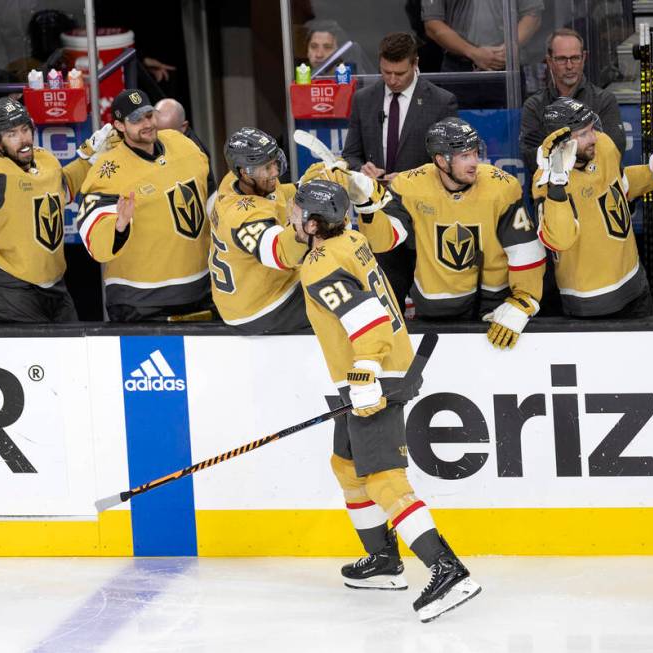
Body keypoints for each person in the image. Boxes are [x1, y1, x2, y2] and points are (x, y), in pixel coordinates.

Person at [291, 178, 481, 623]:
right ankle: (382, 561)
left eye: (298, 212)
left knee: (382, 479)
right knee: (346, 465)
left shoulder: (319, 265)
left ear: (315, 224)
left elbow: (370, 321)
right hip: (381, 368)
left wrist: (364, 377)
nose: (292, 218)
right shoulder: (352, 239)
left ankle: (447, 569)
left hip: (375, 375)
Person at [359, 117, 546, 349]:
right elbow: (385, 241)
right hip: (433, 309)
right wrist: (366, 208)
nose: (474, 163)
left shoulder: (501, 188)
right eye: (464, 156)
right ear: (441, 160)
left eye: (476, 153)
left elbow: (525, 249)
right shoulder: (410, 186)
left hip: (492, 309)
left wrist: (523, 300)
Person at [0, 98, 113, 322]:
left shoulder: (46, 159)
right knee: (30, 357)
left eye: (25, 129)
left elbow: (63, 188)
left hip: (55, 286)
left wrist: (90, 159)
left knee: (71, 354)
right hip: (10, 290)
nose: (23, 139)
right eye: (12, 134)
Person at [532, 98, 653, 318]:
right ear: (562, 143)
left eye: (592, 129)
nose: (593, 138)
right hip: (590, 304)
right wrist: (557, 183)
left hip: (636, 287)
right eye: (583, 134)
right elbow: (560, 239)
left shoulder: (603, 145)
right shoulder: (544, 183)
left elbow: (619, 187)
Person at [75, 89, 212, 322]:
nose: (147, 124)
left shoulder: (183, 144)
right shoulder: (108, 170)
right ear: (119, 126)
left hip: (199, 289)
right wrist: (118, 226)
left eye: (149, 115)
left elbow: (210, 191)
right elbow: (92, 231)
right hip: (141, 300)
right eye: (136, 120)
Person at [342, 31, 458, 306]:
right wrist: (363, 169)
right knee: (388, 299)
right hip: (380, 216)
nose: (392, 80)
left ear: (415, 64)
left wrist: (409, 179)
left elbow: (450, 160)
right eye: (386, 72)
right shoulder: (363, 99)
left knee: (429, 303)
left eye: (400, 73)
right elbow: (350, 155)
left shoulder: (442, 102)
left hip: (425, 218)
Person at [209, 127, 309, 333]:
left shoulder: (239, 179)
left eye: (274, 162)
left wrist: (313, 185)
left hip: (265, 287)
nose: (274, 172)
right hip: (257, 308)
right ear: (245, 172)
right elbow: (280, 254)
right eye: (267, 167)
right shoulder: (242, 215)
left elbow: (280, 195)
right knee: (338, 294)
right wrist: (307, 223)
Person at [519, 28, 626, 175]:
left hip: (596, 189)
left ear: (584, 58)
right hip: (553, 193)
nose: (569, 66)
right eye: (562, 59)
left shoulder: (604, 100)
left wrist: (558, 147)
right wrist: (583, 148)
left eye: (575, 58)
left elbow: (614, 151)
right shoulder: (534, 106)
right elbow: (532, 159)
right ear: (550, 61)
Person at [422, 0, 543, 73]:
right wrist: (473, 52)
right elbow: (432, 24)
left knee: (511, 115)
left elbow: (533, 15)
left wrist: (509, 47)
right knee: (456, 115)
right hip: (459, 68)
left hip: (507, 66)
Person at [154, 98, 215, 193]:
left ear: (183, 127)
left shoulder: (196, 153)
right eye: (156, 132)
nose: (161, 138)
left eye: (168, 133)